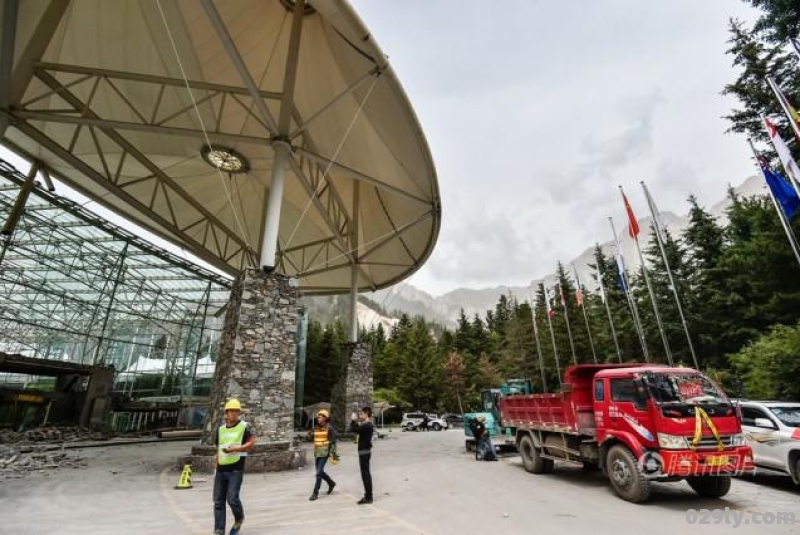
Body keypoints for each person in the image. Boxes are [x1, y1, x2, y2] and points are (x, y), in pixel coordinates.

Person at [213, 398, 255, 535]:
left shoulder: (244, 426)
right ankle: (219, 530)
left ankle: (239, 518)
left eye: (236, 412)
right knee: (218, 501)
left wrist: (237, 448)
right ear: (226, 413)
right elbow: (218, 449)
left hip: (235, 469)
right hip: (221, 469)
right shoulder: (220, 429)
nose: (233, 414)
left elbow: (251, 443)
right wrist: (216, 467)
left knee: (232, 498)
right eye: (231, 411)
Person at [310, 408, 337, 501]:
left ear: (325, 418)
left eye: (320, 417)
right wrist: (310, 434)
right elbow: (309, 437)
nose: (318, 418)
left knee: (318, 473)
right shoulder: (316, 428)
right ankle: (331, 483)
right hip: (317, 453)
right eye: (317, 417)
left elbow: (333, 440)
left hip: (325, 453)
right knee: (320, 472)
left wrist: (333, 454)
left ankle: (315, 492)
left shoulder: (330, 429)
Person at [349, 406, 374, 504]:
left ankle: (368, 497)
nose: (360, 415)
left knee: (365, 475)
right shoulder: (366, 425)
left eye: (362, 414)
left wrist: (353, 420)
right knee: (366, 474)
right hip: (364, 452)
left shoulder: (367, 425)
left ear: (367, 413)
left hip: (364, 452)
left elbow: (353, 429)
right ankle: (368, 495)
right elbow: (357, 429)